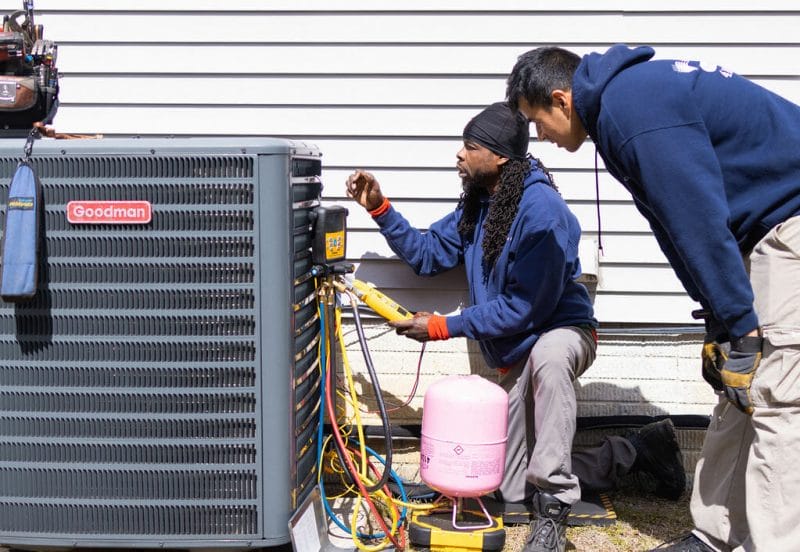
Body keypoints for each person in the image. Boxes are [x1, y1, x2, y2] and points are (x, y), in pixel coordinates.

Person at [345, 101, 685, 552]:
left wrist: (443, 326)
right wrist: (380, 208)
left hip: (563, 329)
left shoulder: (543, 214)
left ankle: (554, 510)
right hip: (521, 341)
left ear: (500, 156)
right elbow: (428, 256)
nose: (459, 155)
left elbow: (525, 309)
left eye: (469, 146)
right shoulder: (482, 203)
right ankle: (638, 452)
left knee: (548, 357)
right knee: (507, 482)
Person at [506, 45, 800, 552]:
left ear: (561, 100)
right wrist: (720, 324)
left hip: (791, 221)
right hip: (761, 230)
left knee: (775, 395)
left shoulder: (632, 106)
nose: (541, 138)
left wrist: (744, 331)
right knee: (740, 391)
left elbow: (698, 217)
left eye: (537, 122)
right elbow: (671, 225)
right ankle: (714, 535)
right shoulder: (617, 110)